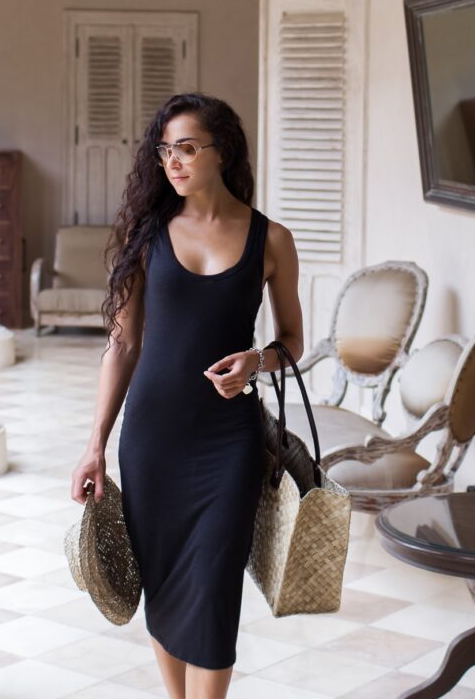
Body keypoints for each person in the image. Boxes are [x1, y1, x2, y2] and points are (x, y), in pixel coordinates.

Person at [71, 92, 303, 699]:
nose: (172, 161)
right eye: (165, 148)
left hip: (227, 440)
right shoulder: (146, 237)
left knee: (215, 583)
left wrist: (257, 361)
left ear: (220, 152)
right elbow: (121, 347)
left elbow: (293, 343)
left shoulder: (271, 240)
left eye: (187, 147)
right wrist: (95, 445)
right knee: (166, 578)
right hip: (151, 439)